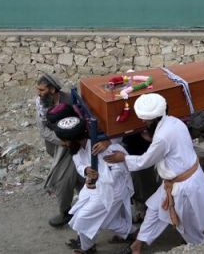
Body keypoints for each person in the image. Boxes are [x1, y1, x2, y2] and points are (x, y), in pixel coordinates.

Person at [103, 93, 204, 253]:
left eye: (146, 120)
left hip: (184, 187)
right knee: (154, 209)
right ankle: (138, 243)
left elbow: (145, 161)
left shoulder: (162, 137)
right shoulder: (175, 121)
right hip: (176, 181)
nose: (143, 123)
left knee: (189, 229)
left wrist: (123, 158)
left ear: (154, 119)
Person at [55, 117, 134, 254]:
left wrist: (99, 177)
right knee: (105, 220)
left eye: (65, 141)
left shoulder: (102, 147)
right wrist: (86, 171)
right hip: (94, 189)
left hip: (112, 190)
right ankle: (133, 233)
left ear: (74, 139)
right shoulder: (76, 149)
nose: (63, 144)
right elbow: (79, 165)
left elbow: (119, 170)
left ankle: (87, 249)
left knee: (83, 218)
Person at [35, 75, 83, 227]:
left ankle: (66, 212)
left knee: (63, 180)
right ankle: (84, 208)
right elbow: (43, 130)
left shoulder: (69, 101)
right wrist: (62, 141)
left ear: (52, 89)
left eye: (42, 90)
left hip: (73, 148)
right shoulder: (41, 103)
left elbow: (80, 122)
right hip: (57, 148)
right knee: (77, 179)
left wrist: (71, 140)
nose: (39, 93)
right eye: (38, 89)